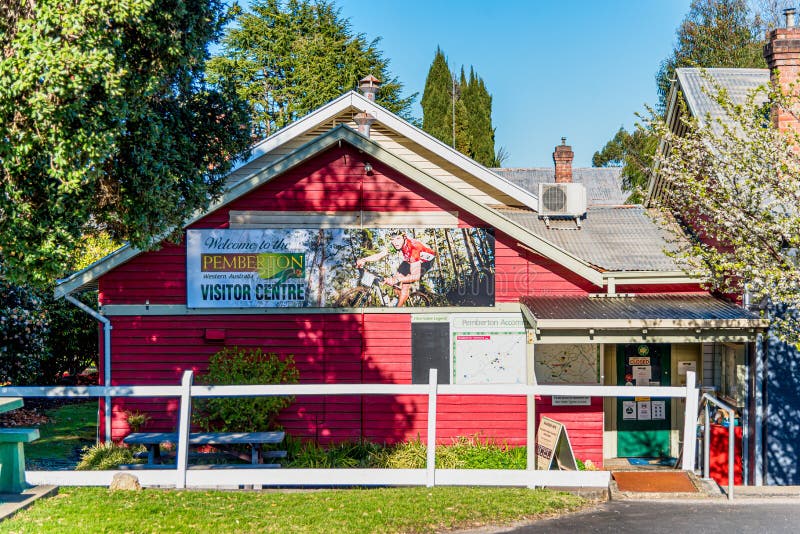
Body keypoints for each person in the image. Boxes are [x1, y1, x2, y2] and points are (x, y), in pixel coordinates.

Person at [356, 233, 436, 307]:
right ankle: (398, 299)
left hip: (425, 262)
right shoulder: (395, 245)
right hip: (409, 260)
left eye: (398, 238)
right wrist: (363, 260)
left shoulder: (413, 247)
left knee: (404, 285)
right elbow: (380, 255)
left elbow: (415, 276)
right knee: (395, 282)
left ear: (404, 237)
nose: (395, 242)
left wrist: (398, 279)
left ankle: (397, 311)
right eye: (392, 239)